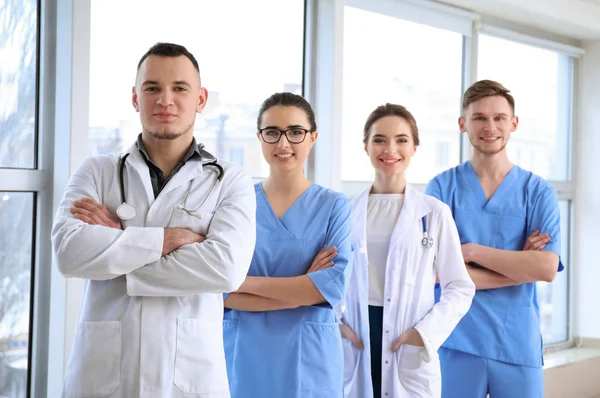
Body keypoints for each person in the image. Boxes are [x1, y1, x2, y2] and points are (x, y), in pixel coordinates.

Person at [51, 42, 256, 398]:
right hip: (102, 379)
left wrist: (117, 251)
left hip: (188, 380)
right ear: (135, 98)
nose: (165, 100)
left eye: (179, 88)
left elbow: (226, 269)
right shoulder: (96, 172)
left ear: (201, 99)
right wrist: (169, 240)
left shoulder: (229, 180)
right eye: (152, 88)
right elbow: (69, 254)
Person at [425, 80, 563, 398]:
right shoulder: (441, 189)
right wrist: (517, 269)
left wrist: (469, 251)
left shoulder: (537, 192)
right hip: (455, 340)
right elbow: (432, 272)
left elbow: (545, 268)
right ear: (463, 124)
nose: (490, 127)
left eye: (499, 118)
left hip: (517, 342)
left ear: (513, 124)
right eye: (479, 118)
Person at [338, 103, 475, 398]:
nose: (390, 149)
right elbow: (327, 276)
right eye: (379, 139)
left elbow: (460, 287)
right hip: (358, 336)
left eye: (401, 140)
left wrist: (424, 335)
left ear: (414, 147)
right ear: (366, 147)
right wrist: (336, 326)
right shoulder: (345, 211)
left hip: (407, 338)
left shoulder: (433, 213)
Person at [222, 92, 353, 398]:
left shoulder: (335, 206)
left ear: (313, 137)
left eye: (295, 132)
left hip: (308, 359)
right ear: (260, 137)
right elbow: (218, 290)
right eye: (272, 133)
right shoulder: (235, 204)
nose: (283, 143)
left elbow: (330, 288)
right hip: (244, 356)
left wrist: (243, 282)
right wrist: (302, 288)